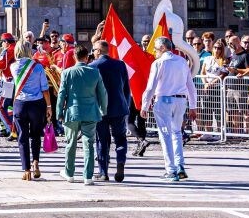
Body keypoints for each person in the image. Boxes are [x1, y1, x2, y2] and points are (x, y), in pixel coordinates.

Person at [141, 37, 198, 182]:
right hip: (181, 100)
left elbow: (151, 87)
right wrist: (193, 106)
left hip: (164, 100)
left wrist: (144, 105)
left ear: (162, 48)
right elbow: (190, 85)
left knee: (165, 134)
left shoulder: (159, 63)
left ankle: (171, 170)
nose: (154, 51)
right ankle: (179, 165)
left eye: (155, 48)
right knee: (176, 133)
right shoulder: (182, 61)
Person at [56, 45, 107, 185]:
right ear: (87, 57)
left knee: (70, 143)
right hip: (90, 112)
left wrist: (59, 112)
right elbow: (102, 93)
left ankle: (69, 173)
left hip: (72, 112)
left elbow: (61, 94)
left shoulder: (67, 72)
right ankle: (88, 176)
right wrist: (103, 109)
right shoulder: (95, 72)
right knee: (89, 144)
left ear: (74, 57)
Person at [90, 40, 131, 182]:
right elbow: (126, 88)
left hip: (100, 109)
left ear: (98, 51)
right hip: (119, 107)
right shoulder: (120, 64)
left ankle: (103, 172)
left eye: (94, 50)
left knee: (102, 140)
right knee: (120, 138)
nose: (93, 53)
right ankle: (120, 164)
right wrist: (126, 105)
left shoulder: (92, 66)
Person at [10, 41, 51, 180]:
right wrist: (49, 106)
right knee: (35, 135)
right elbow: (45, 89)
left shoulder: (13, 67)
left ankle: (26, 169)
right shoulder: (38, 67)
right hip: (37, 104)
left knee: (22, 137)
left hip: (20, 104)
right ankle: (36, 162)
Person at [0, 33, 17, 139]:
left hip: (8, 81)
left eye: (2, 42)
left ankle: (12, 129)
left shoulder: (8, 50)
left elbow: (1, 65)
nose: (1, 45)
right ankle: (16, 129)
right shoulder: (17, 48)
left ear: (6, 42)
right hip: (16, 81)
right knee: (12, 107)